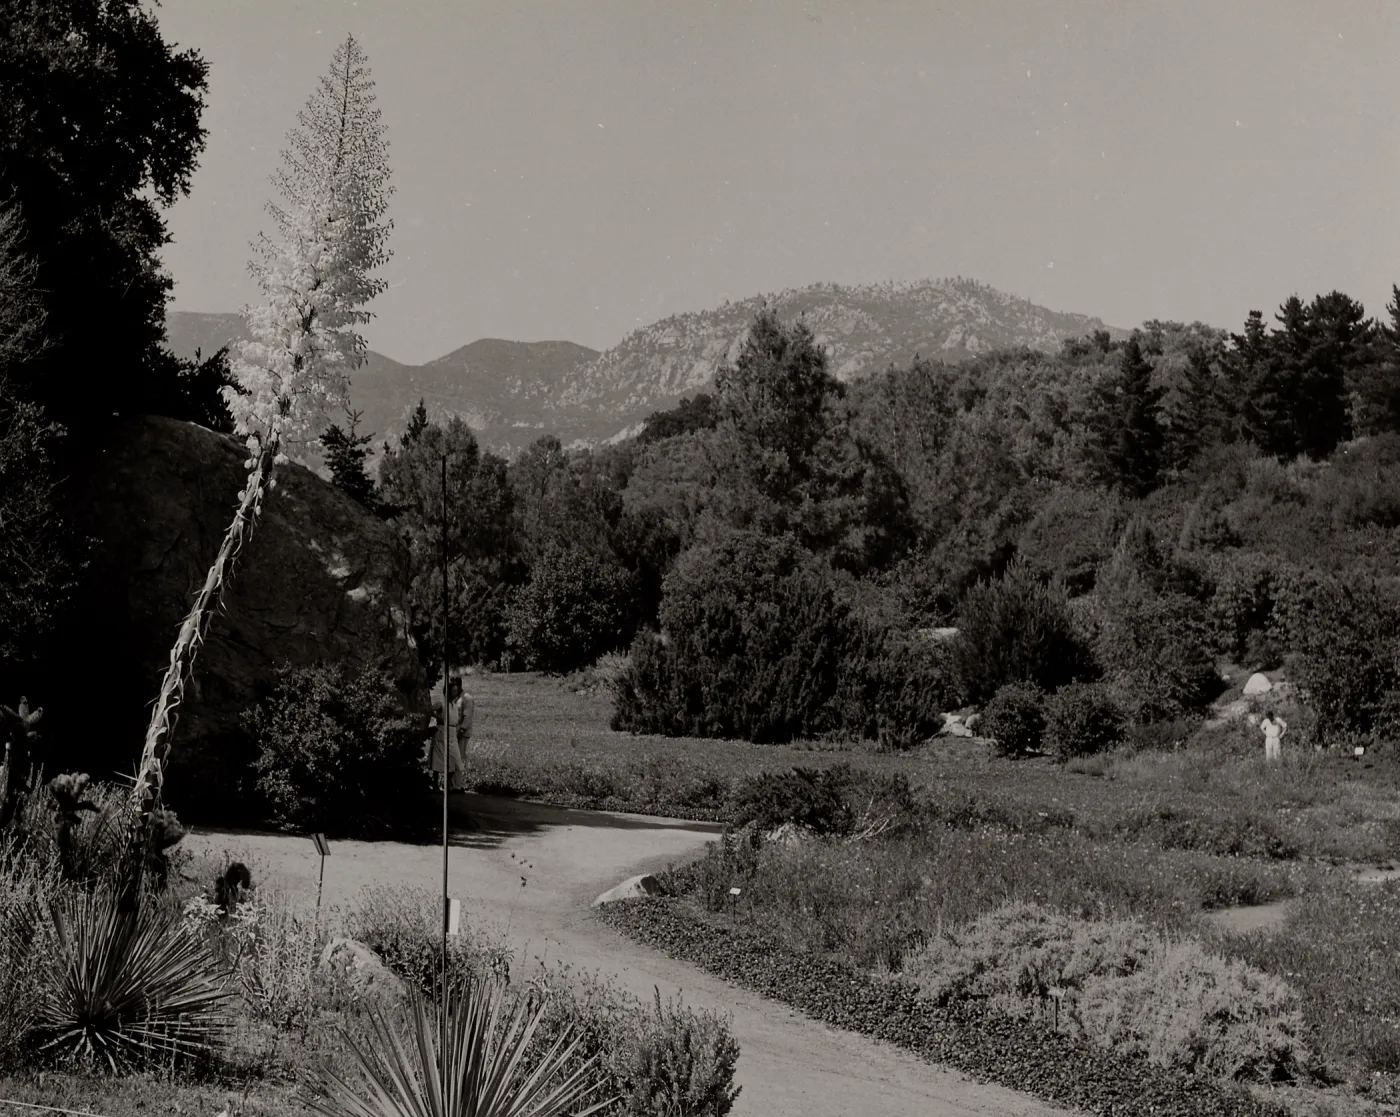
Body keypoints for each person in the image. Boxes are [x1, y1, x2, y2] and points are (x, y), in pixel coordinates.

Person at [429, 673, 473, 792]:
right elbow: (429, 709)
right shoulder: (442, 703)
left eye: (456, 691)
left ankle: (449, 785)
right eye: (453, 691)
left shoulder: (454, 704)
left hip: (452, 733)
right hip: (442, 731)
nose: (455, 693)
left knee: (453, 760)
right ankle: (435, 784)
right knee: (438, 759)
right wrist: (438, 717)